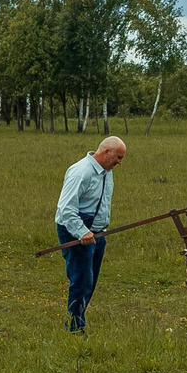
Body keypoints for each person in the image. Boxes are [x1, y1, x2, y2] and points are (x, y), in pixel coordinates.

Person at [54, 135, 127, 332]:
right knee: (81, 280)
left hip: (97, 232)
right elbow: (66, 209)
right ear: (107, 152)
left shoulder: (106, 172)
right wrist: (82, 232)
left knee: (90, 281)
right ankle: (74, 328)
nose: (120, 163)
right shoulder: (81, 172)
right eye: (119, 157)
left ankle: (77, 319)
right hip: (76, 230)